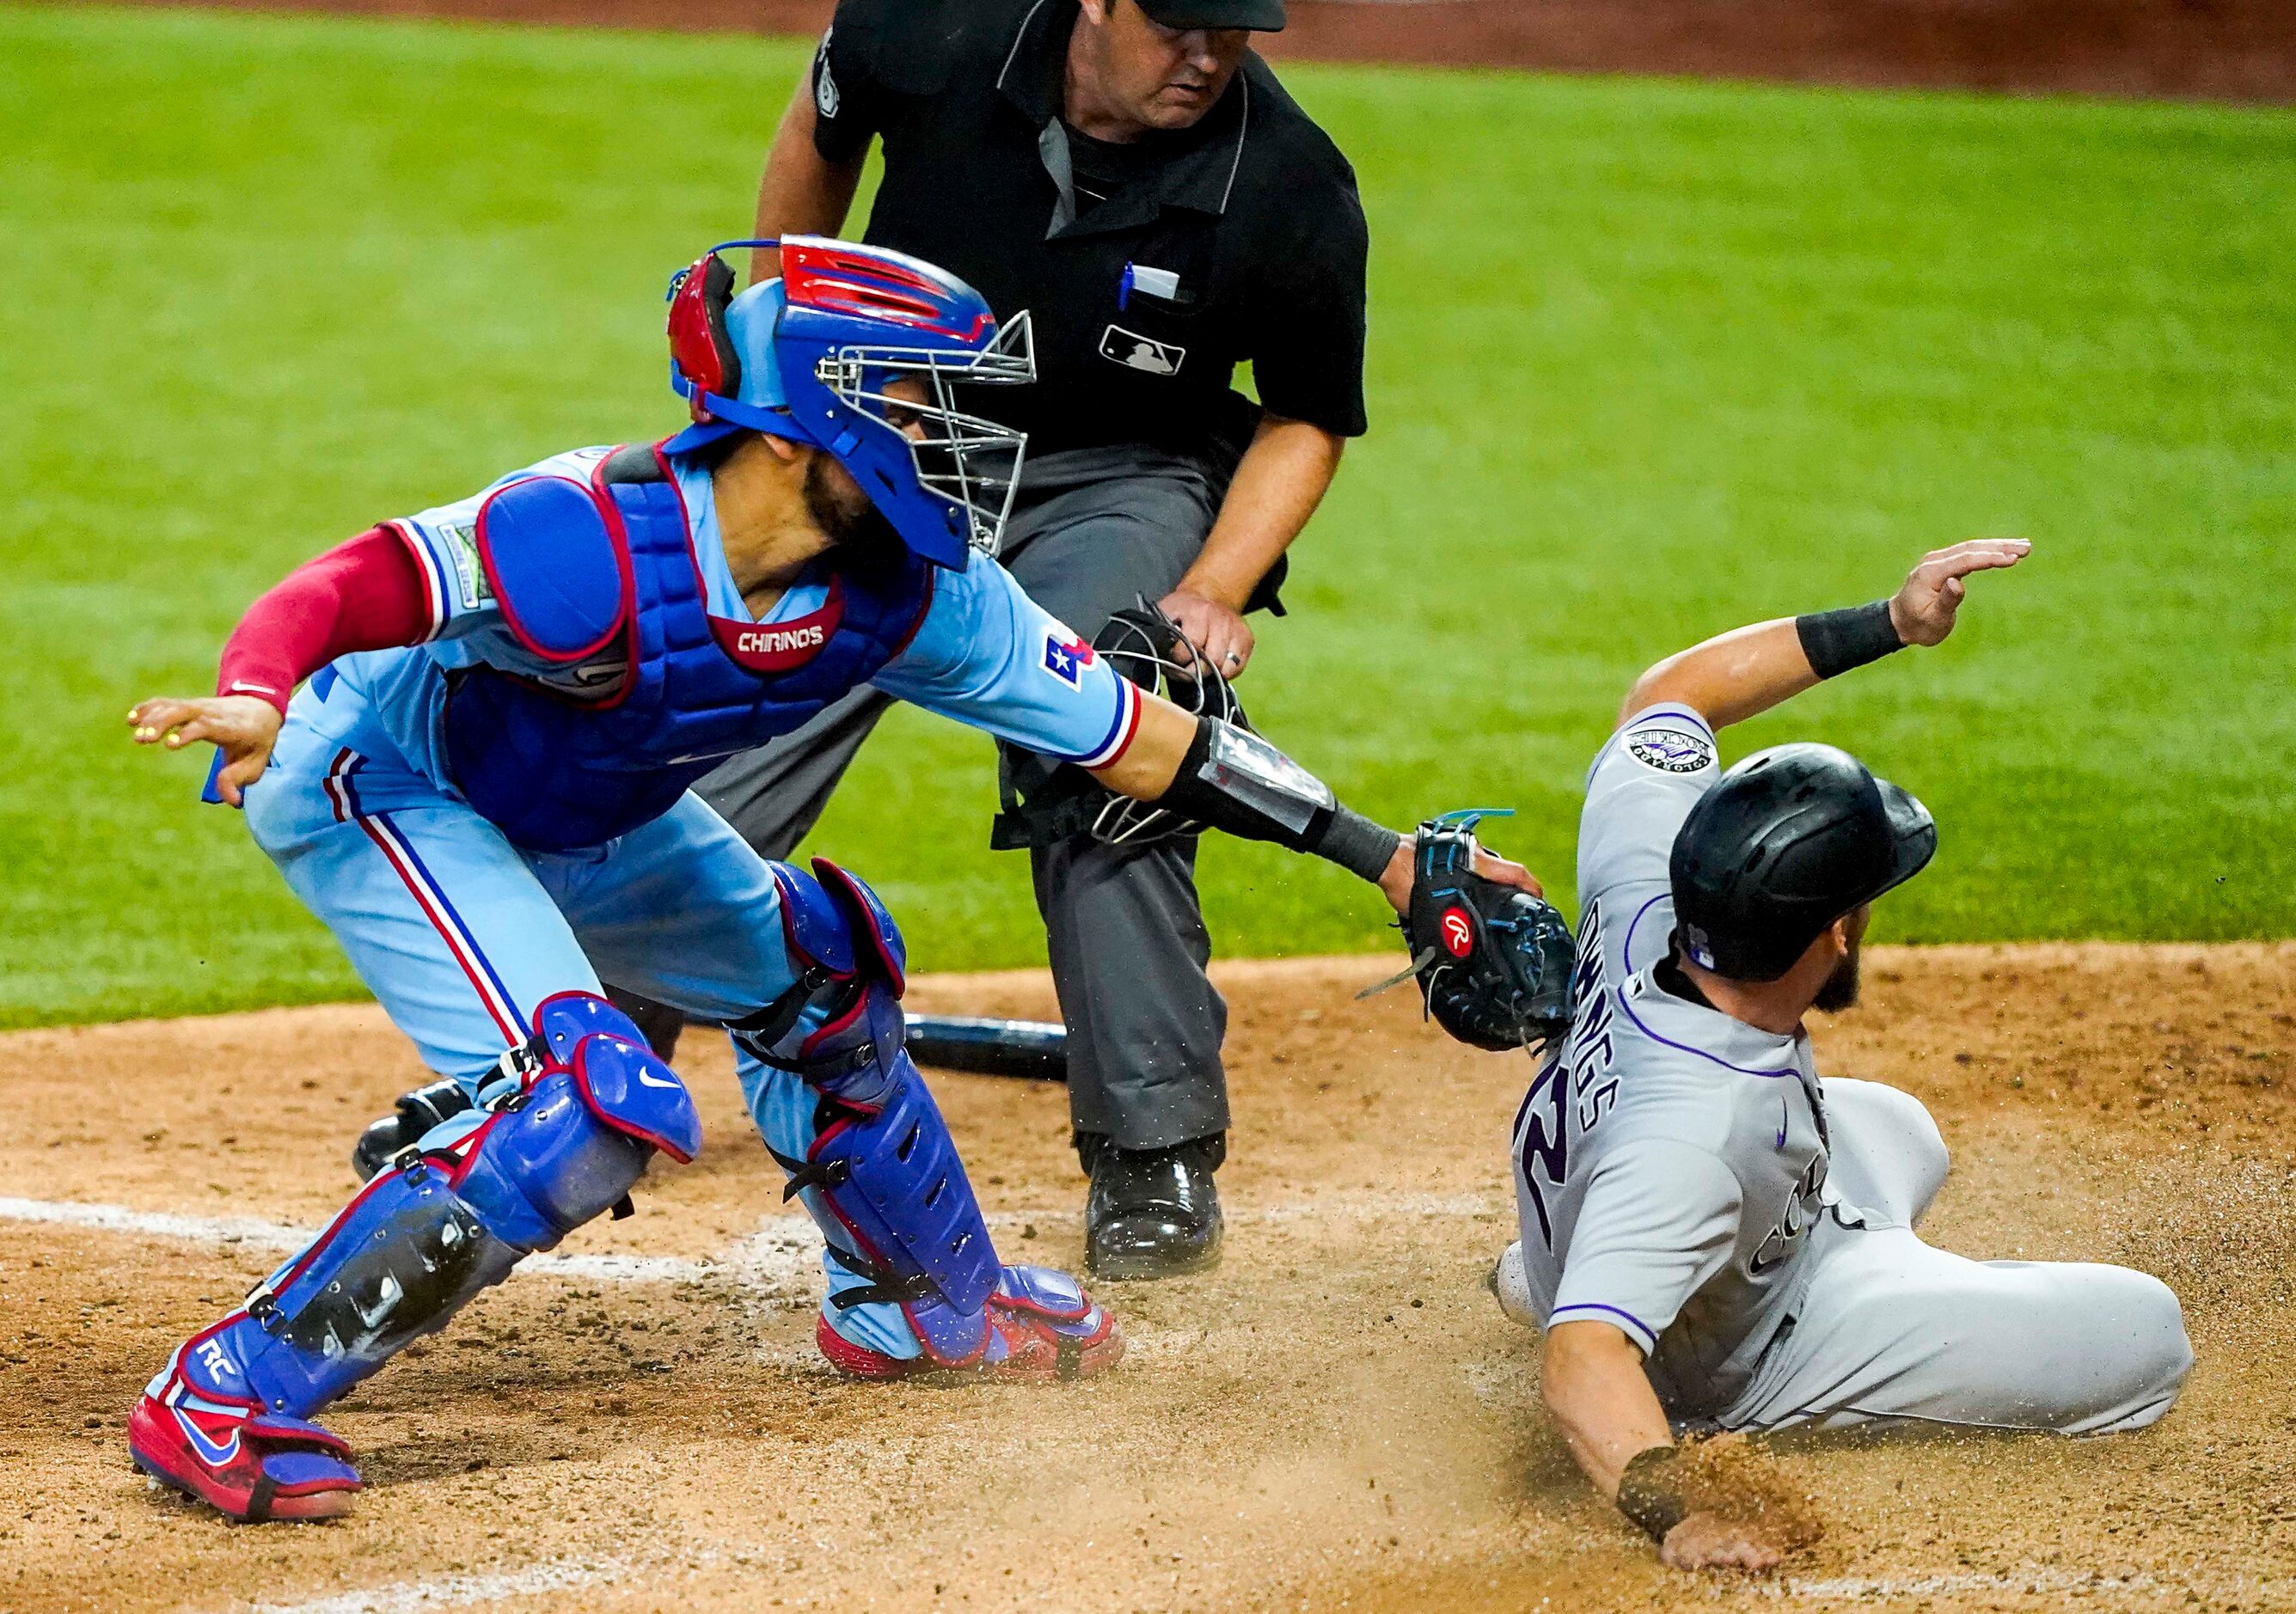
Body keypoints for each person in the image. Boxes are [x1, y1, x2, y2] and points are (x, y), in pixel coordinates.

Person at [118, 237, 1536, 1521]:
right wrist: (255, 690)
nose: (959, 435)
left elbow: (1140, 738)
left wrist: (1389, 858)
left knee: (820, 976)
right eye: (922, 405)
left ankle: (922, 1305)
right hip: (383, 776)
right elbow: (348, 585)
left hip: (599, 811)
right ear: (808, 428)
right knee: (578, 1107)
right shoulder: (585, 537)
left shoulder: (914, 590)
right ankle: (228, 1389)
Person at [679, 0, 1375, 1279]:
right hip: (898, 429)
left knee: (1109, 730)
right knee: (710, 698)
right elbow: (817, 134)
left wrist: (1214, 584)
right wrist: (782, 338)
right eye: (1177, 22)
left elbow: (1304, 415)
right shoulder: (930, 23)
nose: (1208, 55)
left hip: (1119, 471)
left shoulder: (1282, 182)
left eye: (1234, 27)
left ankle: (1151, 1147)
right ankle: (565, 1067)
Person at [1495, 538, 2194, 1571]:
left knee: (1896, 1127)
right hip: (1736, 1359)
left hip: (1665, 1205)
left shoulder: (1648, 882)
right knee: (2146, 1335)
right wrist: (1682, 1510)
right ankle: (1670, 1324)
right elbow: (1580, 1363)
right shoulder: (1695, 1135)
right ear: (1830, 933)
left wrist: (1892, 622)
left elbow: (1668, 700)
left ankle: (1560, 1269)